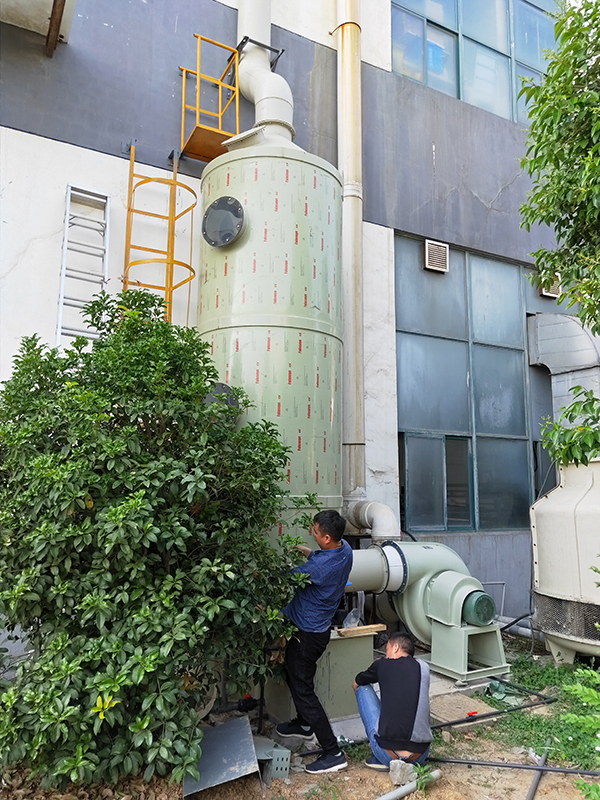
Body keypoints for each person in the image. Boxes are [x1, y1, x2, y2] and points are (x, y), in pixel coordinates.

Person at [276, 509, 353, 774]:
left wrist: (260, 573)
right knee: (292, 672)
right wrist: (308, 551)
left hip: (308, 635)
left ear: (328, 538)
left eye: (316, 532)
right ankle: (303, 723)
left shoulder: (320, 568)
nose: (313, 533)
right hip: (313, 630)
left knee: (304, 690)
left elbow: (289, 577)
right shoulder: (345, 549)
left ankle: (333, 752)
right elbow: (321, 559)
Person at [352, 632, 432, 771]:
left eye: (387, 649)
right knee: (419, 696)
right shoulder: (423, 667)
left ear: (395, 648)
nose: (386, 654)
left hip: (388, 755)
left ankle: (382, 759)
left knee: (362, 688)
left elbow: (356, 682)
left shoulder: (382, 664)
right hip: (420, 756)